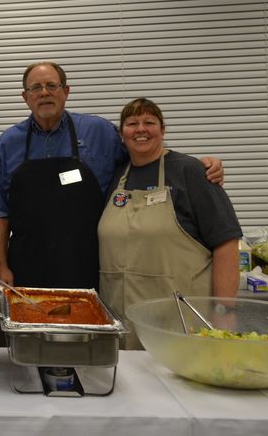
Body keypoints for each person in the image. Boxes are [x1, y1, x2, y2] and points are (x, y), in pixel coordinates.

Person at [0, 62, 223, 290]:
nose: (44, 93)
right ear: (25, 96)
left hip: (92, 262)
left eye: (52, 85)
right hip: (28, 265)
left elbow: (145, 157)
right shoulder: (9, 142)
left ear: (66, 91)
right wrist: (2, 265)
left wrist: (196, 166)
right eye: (36, 88)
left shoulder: (98, 132)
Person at [98, 98, 240, 349]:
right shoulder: (117, 175)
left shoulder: (191, 171)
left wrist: (224, 309)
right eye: (132, 123)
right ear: (122, 135)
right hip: (123, 320)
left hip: (179, 320)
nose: (140, 129)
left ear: (163, 130)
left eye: (149, 122)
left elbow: (226, 242)